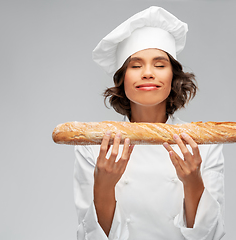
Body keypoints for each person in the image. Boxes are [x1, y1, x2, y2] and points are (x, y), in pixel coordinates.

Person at [74, 6, 225, 240]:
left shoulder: (203, 143)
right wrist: (104, 185)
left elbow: (211, 236)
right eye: (135, 66)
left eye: (160, 64)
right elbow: (89, 237)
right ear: (122, 78)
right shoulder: (92, 145)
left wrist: (192, 180)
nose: (147, 73)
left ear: (173, 77)